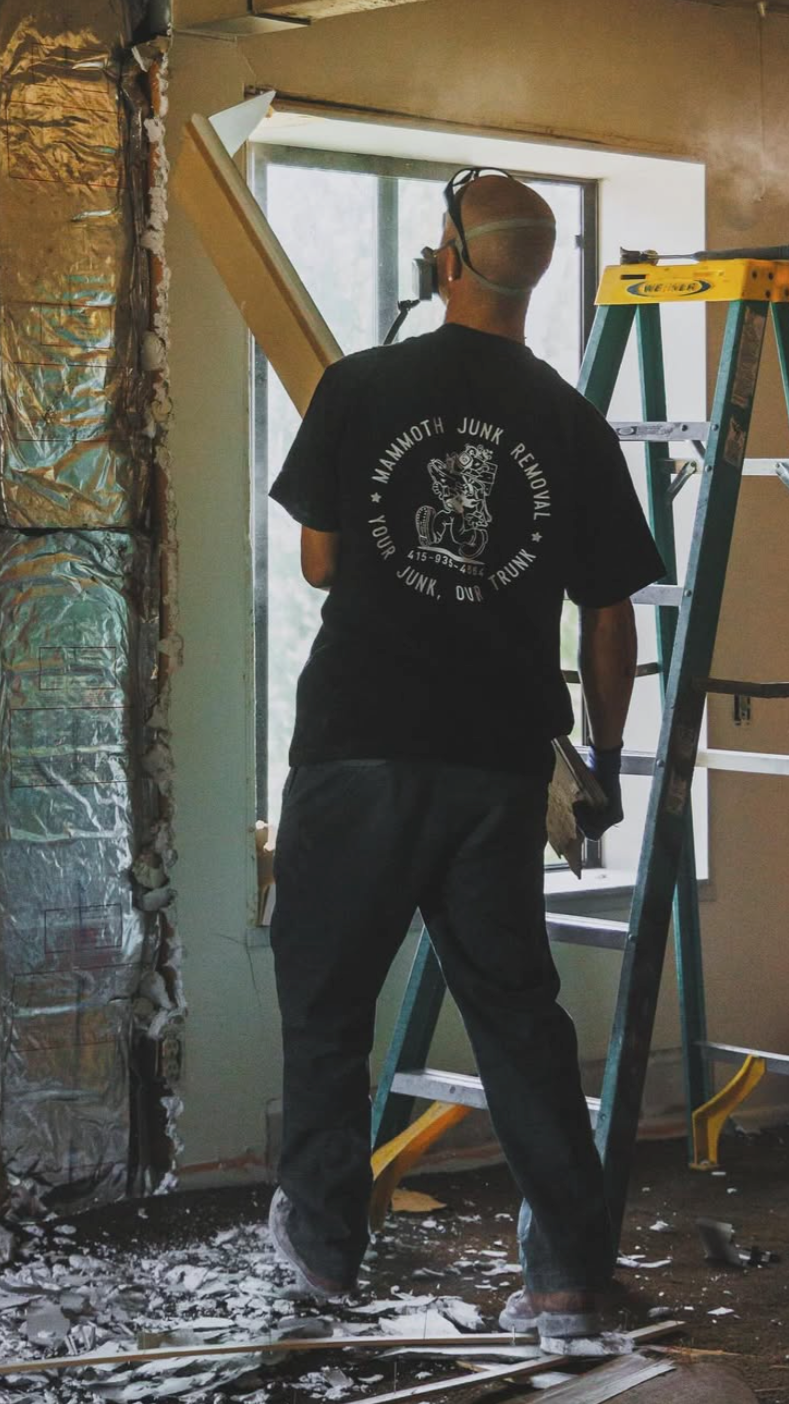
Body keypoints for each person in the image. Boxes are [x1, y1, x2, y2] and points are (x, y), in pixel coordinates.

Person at [267, 167, 665, 1354]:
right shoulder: (569, 419)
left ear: (444, 256)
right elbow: (610, 611)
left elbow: (323, 564)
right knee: (518, 1017)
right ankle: (567, 1287)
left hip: (356, 750)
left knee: (328, 1006)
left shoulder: (361, 384)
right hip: (498, 760)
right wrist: (600, 750)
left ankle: (326, 1258)